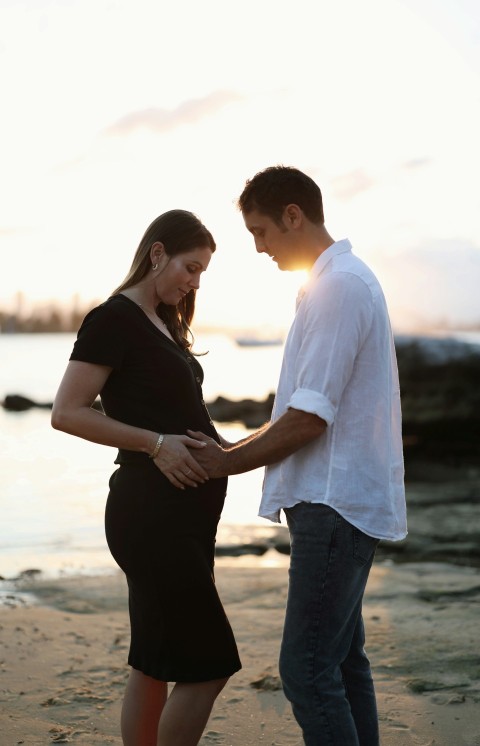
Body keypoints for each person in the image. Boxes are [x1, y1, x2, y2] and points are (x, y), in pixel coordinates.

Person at [188, 166, 407, 746]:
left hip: (334, 505)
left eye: (261, 231)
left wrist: (222, 460)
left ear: (294, 216)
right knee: (340, 662)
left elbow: (309, 418)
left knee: (306, 671)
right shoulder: (339, 282)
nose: (257, 247)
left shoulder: (339, 287)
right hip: (340, 502)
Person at [51, 209, 241, 746]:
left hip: (180, 520)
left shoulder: (164, 322)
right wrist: (155, 445)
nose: (195, 281)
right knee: (209, 664)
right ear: (156, 253)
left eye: (203, 272)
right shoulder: (113, 319)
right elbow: (67, 412)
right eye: (190, 266)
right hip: (152, 516)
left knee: (155, 660)